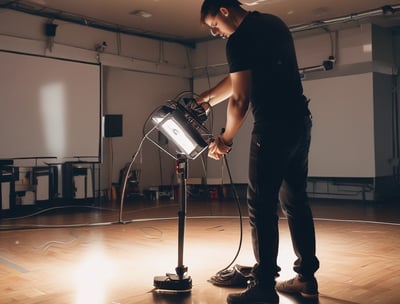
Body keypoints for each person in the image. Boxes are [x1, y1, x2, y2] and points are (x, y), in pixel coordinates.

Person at [197, 1, 320, 303]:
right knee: (296, 201)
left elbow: (240, 98)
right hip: (299, 123)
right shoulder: (273, 23)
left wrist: (224, 139)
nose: (215, 33)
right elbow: (241, 76)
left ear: (224, 10)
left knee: (261, 207)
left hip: (272, 127)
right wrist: (207, 99)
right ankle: (306, 279)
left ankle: (264, 286)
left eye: (214, 25)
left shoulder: (239, 39)